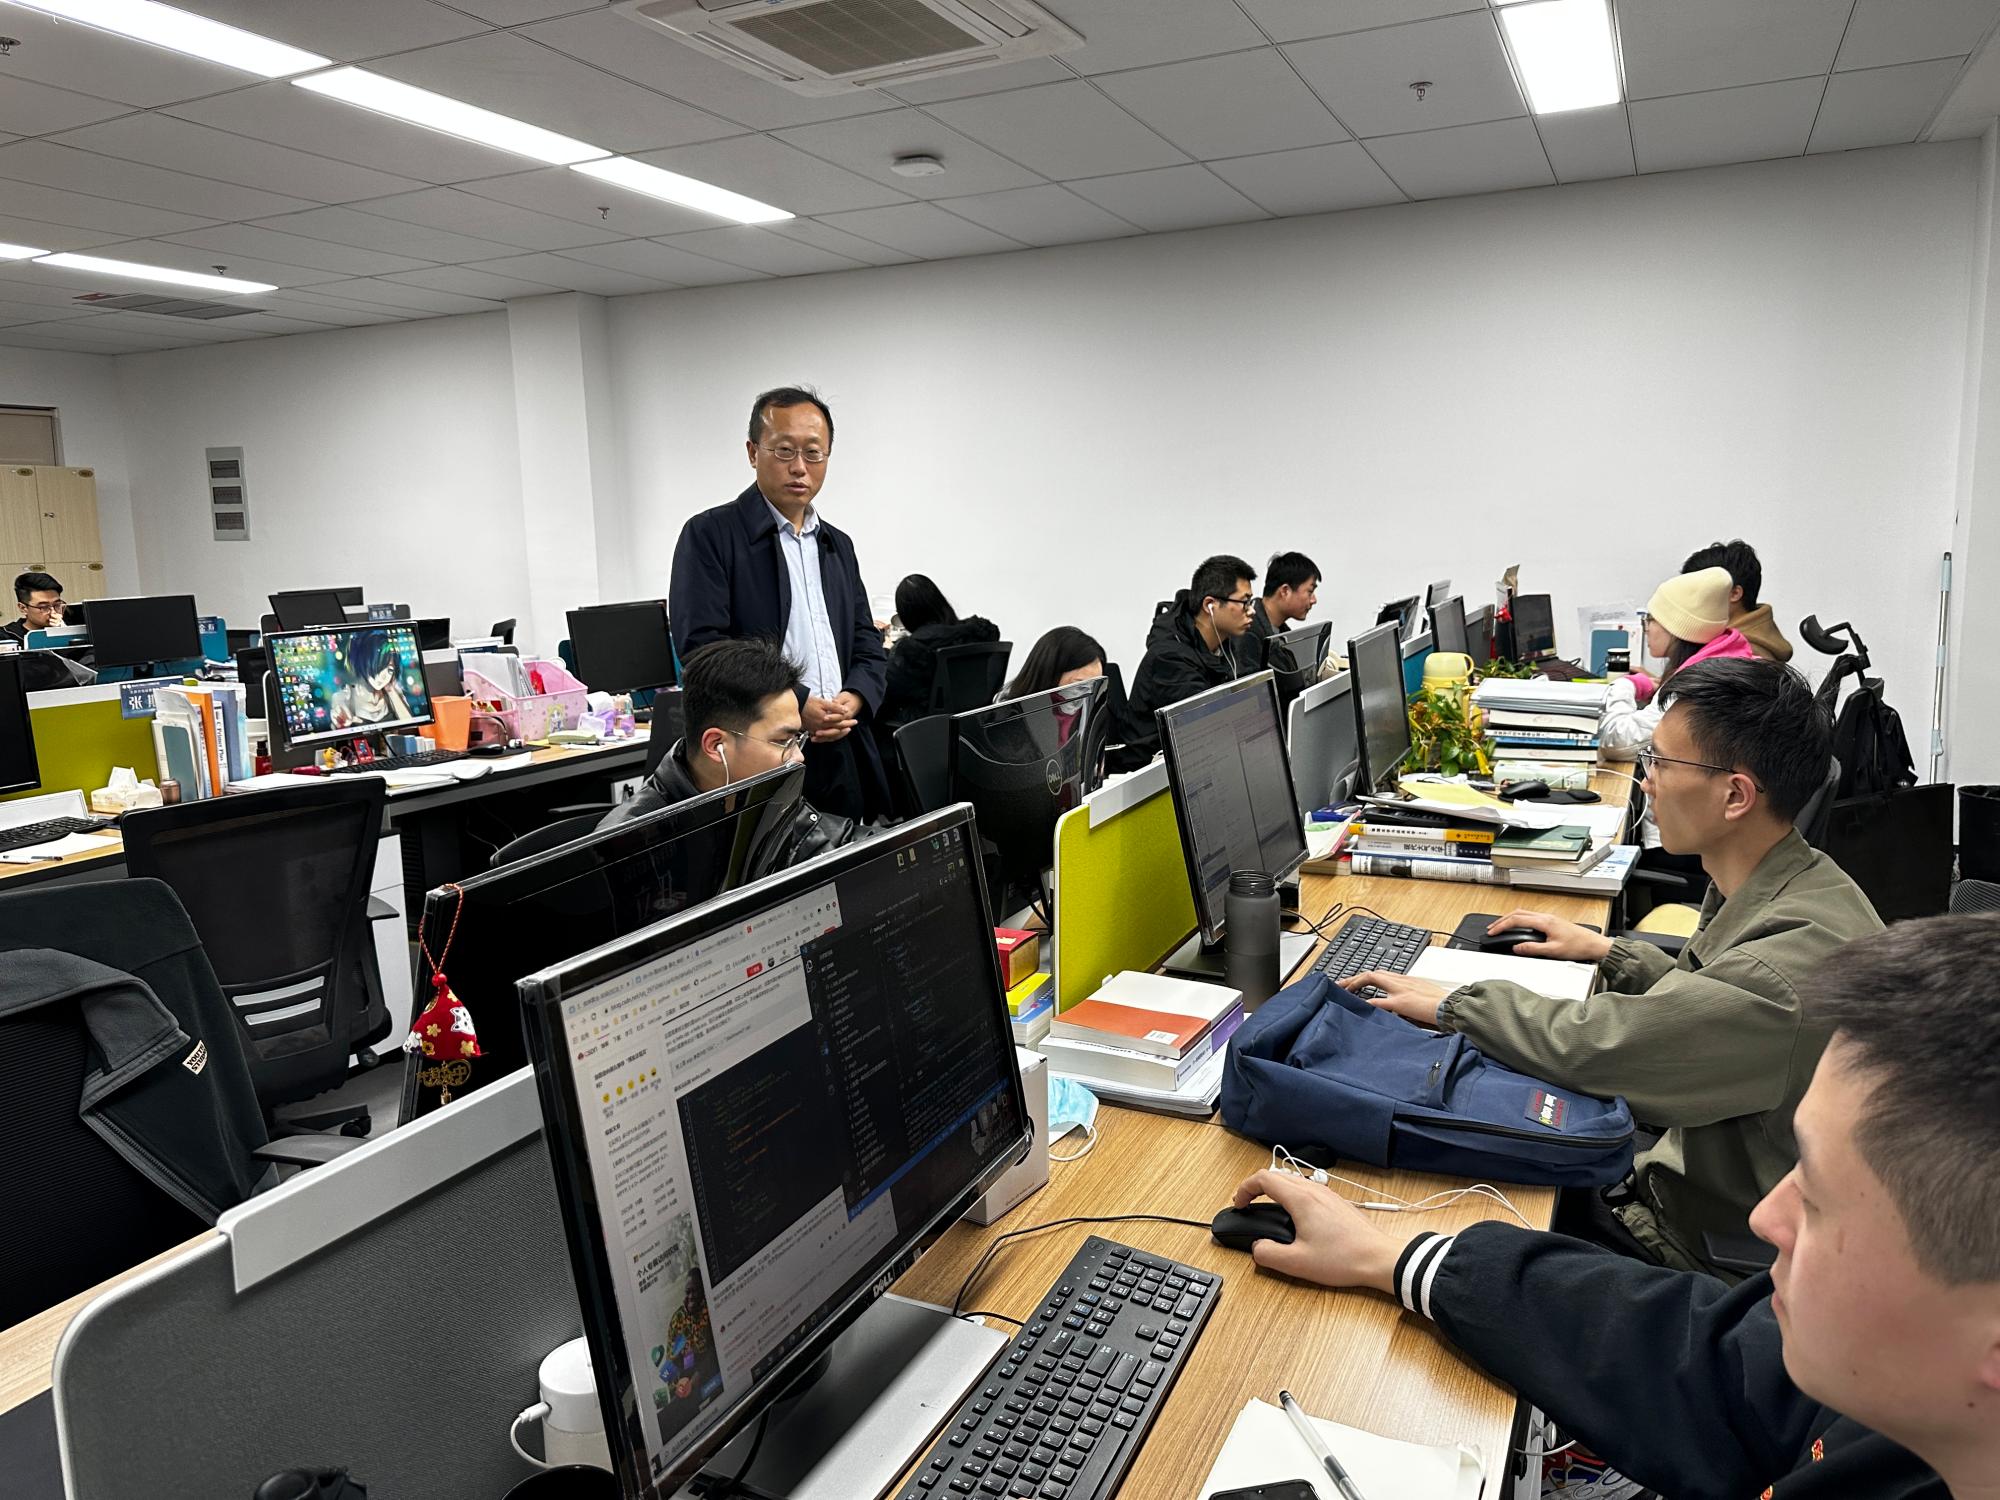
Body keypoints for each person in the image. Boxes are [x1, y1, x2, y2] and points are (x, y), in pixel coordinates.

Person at [1232, 913, 2000, 1500]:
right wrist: (1397, 1259)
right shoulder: (1903, 1406)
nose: (1768, 1218)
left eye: (1822, 1202)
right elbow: (1711, 1358)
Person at [1351, 658, 1883, 1278]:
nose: (1647, 782)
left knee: (1431, 1213)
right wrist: (1610, 952)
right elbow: (1712, 1003)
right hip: (1700, 1182)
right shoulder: (1800, 881)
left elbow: (1595, 1049)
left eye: (1660, 762)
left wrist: (1454, 1003)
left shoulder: (1777, 980)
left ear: (1736, 795)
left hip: (1695, 1248)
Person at [668, 386, 889, 823]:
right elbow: (704, 649)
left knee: (846, 857)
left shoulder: (837, 545)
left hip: (840, 742)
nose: (800, 467)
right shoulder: (711, 535)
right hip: (760, 751)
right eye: (784, 450)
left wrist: (856, 697)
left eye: (814, 453)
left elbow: (866, 638)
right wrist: (797, 702)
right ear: (753, 452)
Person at [598, 637, 864, 872]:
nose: (798, 757)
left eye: (797, 739)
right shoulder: (625, 850)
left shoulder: (764, 795)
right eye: (783, 741)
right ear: (716, 745)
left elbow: (825, 839)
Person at [1598, 565, 1755, 767]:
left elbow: (1616, 743)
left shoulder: (1696, 686)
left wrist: (1625, 685)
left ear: (1674, 627)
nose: (1646, 629)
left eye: (1650, 619)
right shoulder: (1730, 661)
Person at [1117, 555, 1255, 767]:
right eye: (1244, 603)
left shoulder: (1226, 644)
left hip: (1203, 760)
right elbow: (1208, 723)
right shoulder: (1170, 657)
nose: (1251, 611)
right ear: (1210, 605)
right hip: (1151, 774)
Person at [874, 574, 1000, 734]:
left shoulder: (912, 651)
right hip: (972, 729)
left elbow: (885, 691)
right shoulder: (975, 635)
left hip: (922, 733)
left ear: (906, 616)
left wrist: (884, 650)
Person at [1685, 537, 1793, 661]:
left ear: (1734, 593)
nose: (1687, 599)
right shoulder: (1732, 647)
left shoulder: (1740, 657)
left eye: (1697, 589)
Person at [1230, 550, 1319, 672]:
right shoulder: (1248, 635)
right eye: (1310, 591)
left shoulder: (1281, 633)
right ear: (1285, 591)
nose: (1314, 600)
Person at [329, 628, 415, 728]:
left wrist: (391, 690)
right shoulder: (346, 695)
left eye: (390, 670)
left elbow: (411, 725)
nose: (384, 676)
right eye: (379, 667)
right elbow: (339, 703)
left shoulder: (391, 691)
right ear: (364, 663)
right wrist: (339, 719)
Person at [1004, 626, 1104, 700]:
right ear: (1048, 675)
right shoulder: (1006, 716)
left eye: (1095, 686)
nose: (1089, 696)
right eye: (1080, 686)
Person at [3, 570, 63, 645]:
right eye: (44, 607)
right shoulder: (6, 636)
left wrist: (64, 632)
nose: (53, 612)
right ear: (23, 608)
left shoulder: (68, 627)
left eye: (57, 605)